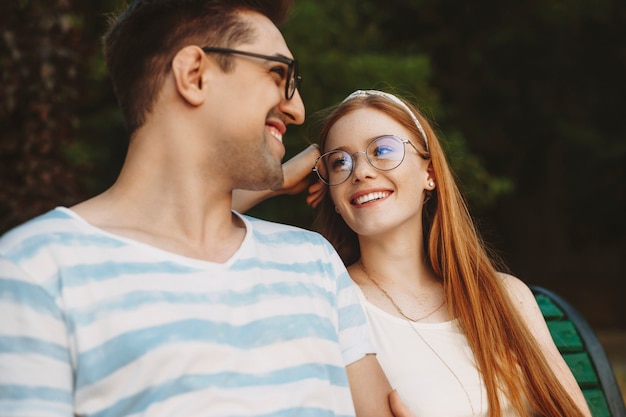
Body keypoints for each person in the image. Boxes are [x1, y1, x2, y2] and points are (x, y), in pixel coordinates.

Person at [0, 2, 402, 416]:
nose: (297, 109)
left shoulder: (313, 262)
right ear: (194, 75)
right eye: (279, 75)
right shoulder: (35, 272)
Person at [235, 89, 592, 416]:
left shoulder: (506, 296)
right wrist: (276, 180)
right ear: (332, 196)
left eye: (383, 150)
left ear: (430, 174)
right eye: (339, 162)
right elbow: (185, 230)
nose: (360, 171)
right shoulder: (328, 301)